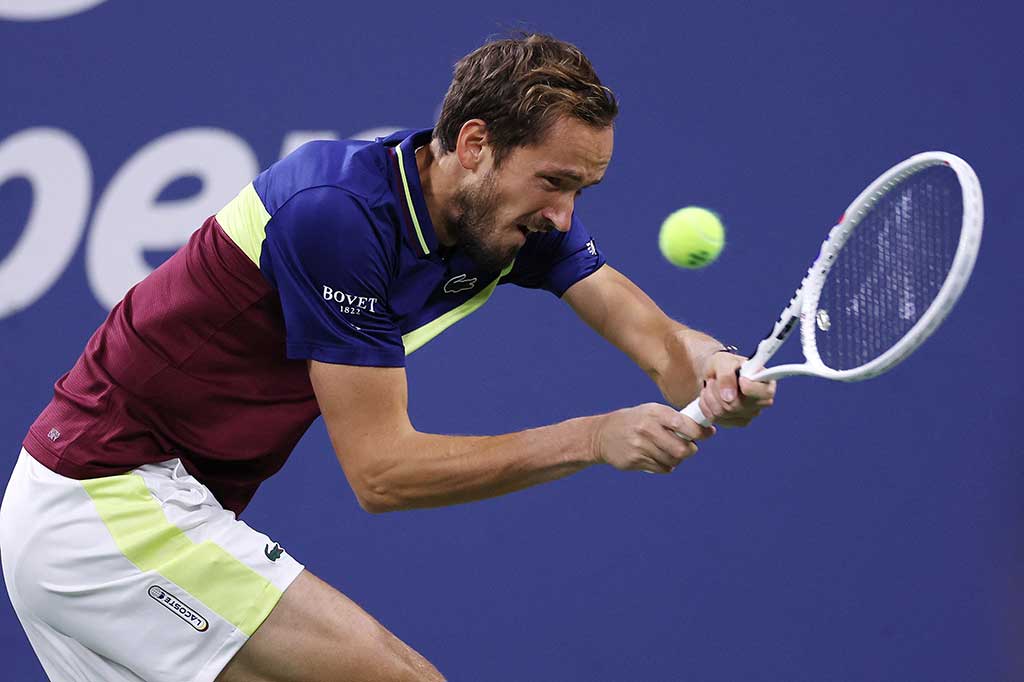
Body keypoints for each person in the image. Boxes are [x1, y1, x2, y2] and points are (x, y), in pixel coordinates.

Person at [0, 33, 775, 682]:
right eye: (554, 182)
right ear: (475, 144)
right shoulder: (335, 216)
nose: (564, 215)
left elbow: (659, 341)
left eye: (582, 190)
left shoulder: (513, 222)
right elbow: (383, 473)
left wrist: (718, 369)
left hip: (124, 512)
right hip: (102, 504)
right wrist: (593, 438)